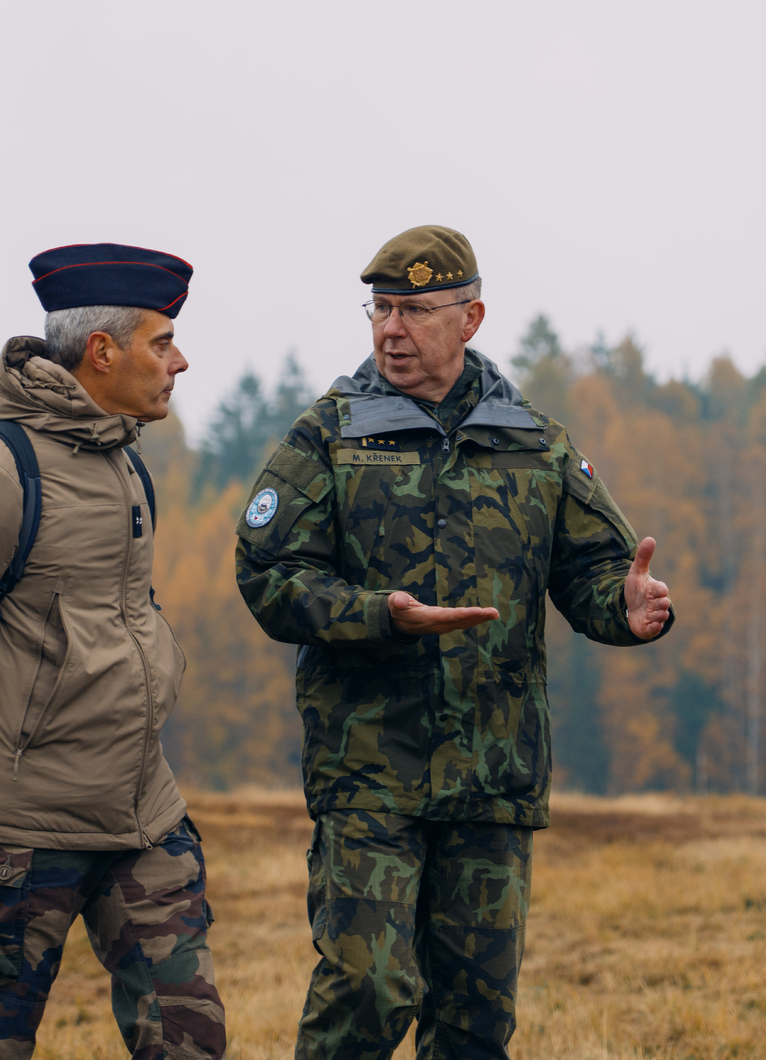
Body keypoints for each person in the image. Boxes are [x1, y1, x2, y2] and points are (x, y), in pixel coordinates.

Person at [234, 225, 674, 1060]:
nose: (389, 329)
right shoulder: (328, 436)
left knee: (474, 1021)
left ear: (470, 319)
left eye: (413, 310)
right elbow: (268, 573)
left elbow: (597, 572)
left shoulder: (535, 443)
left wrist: (629, 606)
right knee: (367, 990)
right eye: (380, 308)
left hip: (492, 778)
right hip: (368, 775)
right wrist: (377, 614)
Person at [0, 243, 225, 1060]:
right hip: (14, 835)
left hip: (143, 818)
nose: (180, 360)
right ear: (103, 351)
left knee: (192, 1039)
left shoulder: (127, 465)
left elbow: (129, 610)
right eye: (162, 341)